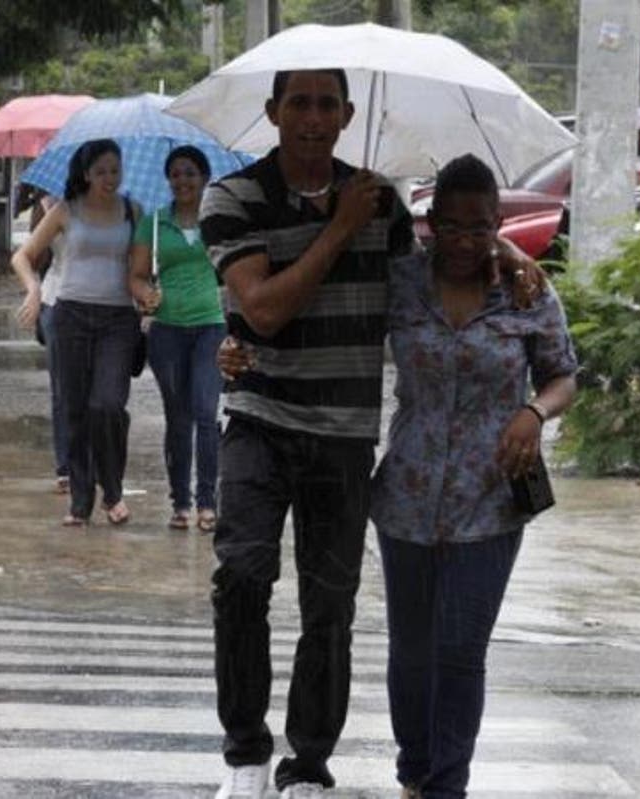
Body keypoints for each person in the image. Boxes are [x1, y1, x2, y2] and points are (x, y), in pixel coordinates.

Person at [200, 70, 543, 799]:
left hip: (345, 434)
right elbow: (261, 311)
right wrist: (339, 229)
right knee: (241, 578)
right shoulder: (234, 196)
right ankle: (245, 752)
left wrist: (507, 254)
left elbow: (427, 279)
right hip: (260, 420)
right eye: (300, 103)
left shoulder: (382, 201)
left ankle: (308, 764)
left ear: (348, 114)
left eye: (328, 104)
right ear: (274, 112)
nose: (315, 118)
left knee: (331, 603)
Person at [371, 154, 577, 799]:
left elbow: (564, 373)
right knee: (411, 652)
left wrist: (533, 411)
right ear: (430, 224)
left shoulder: (527, 291)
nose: (464, 241)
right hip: (406, 491)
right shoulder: (399, 282)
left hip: (490, 500)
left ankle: (446, 786)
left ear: (498, 225)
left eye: (480, 227)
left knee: (460, 650)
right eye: (452, 226)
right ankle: (414, 769)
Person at [10, 139, 141, 526]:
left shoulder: (133, 211)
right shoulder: (66, 210)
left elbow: (139, 269)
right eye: (101, 171)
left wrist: (148, 293)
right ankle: (81, 501)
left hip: (118, 320)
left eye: (115, 171)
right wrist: (34, 290)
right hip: (70, 317)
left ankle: (113, 492)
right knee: (75, 407)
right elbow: (23, 255)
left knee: (109, 405)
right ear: (85, 174)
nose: (109, 178)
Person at [128, 145, 225, 533]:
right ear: (168, 180)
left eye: (190, 173)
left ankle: (207, 502)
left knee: (206, 410)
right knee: (178, 417)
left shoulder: (218, 220)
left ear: (204, 178)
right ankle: (180, 502)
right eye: (176, 174)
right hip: (166, 331)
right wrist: (144, 294)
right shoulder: (153, 223)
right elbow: (135, 275)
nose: (182, 180)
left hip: (211, 325)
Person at [17, 182, 70, 494]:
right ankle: (66, 466)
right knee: (63, 389)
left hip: (104, 308)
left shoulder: (121, 206)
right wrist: (33, 290)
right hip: (56, 301)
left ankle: (92, 460)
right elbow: (29, 256)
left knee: (100, 398)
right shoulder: (51, 205)